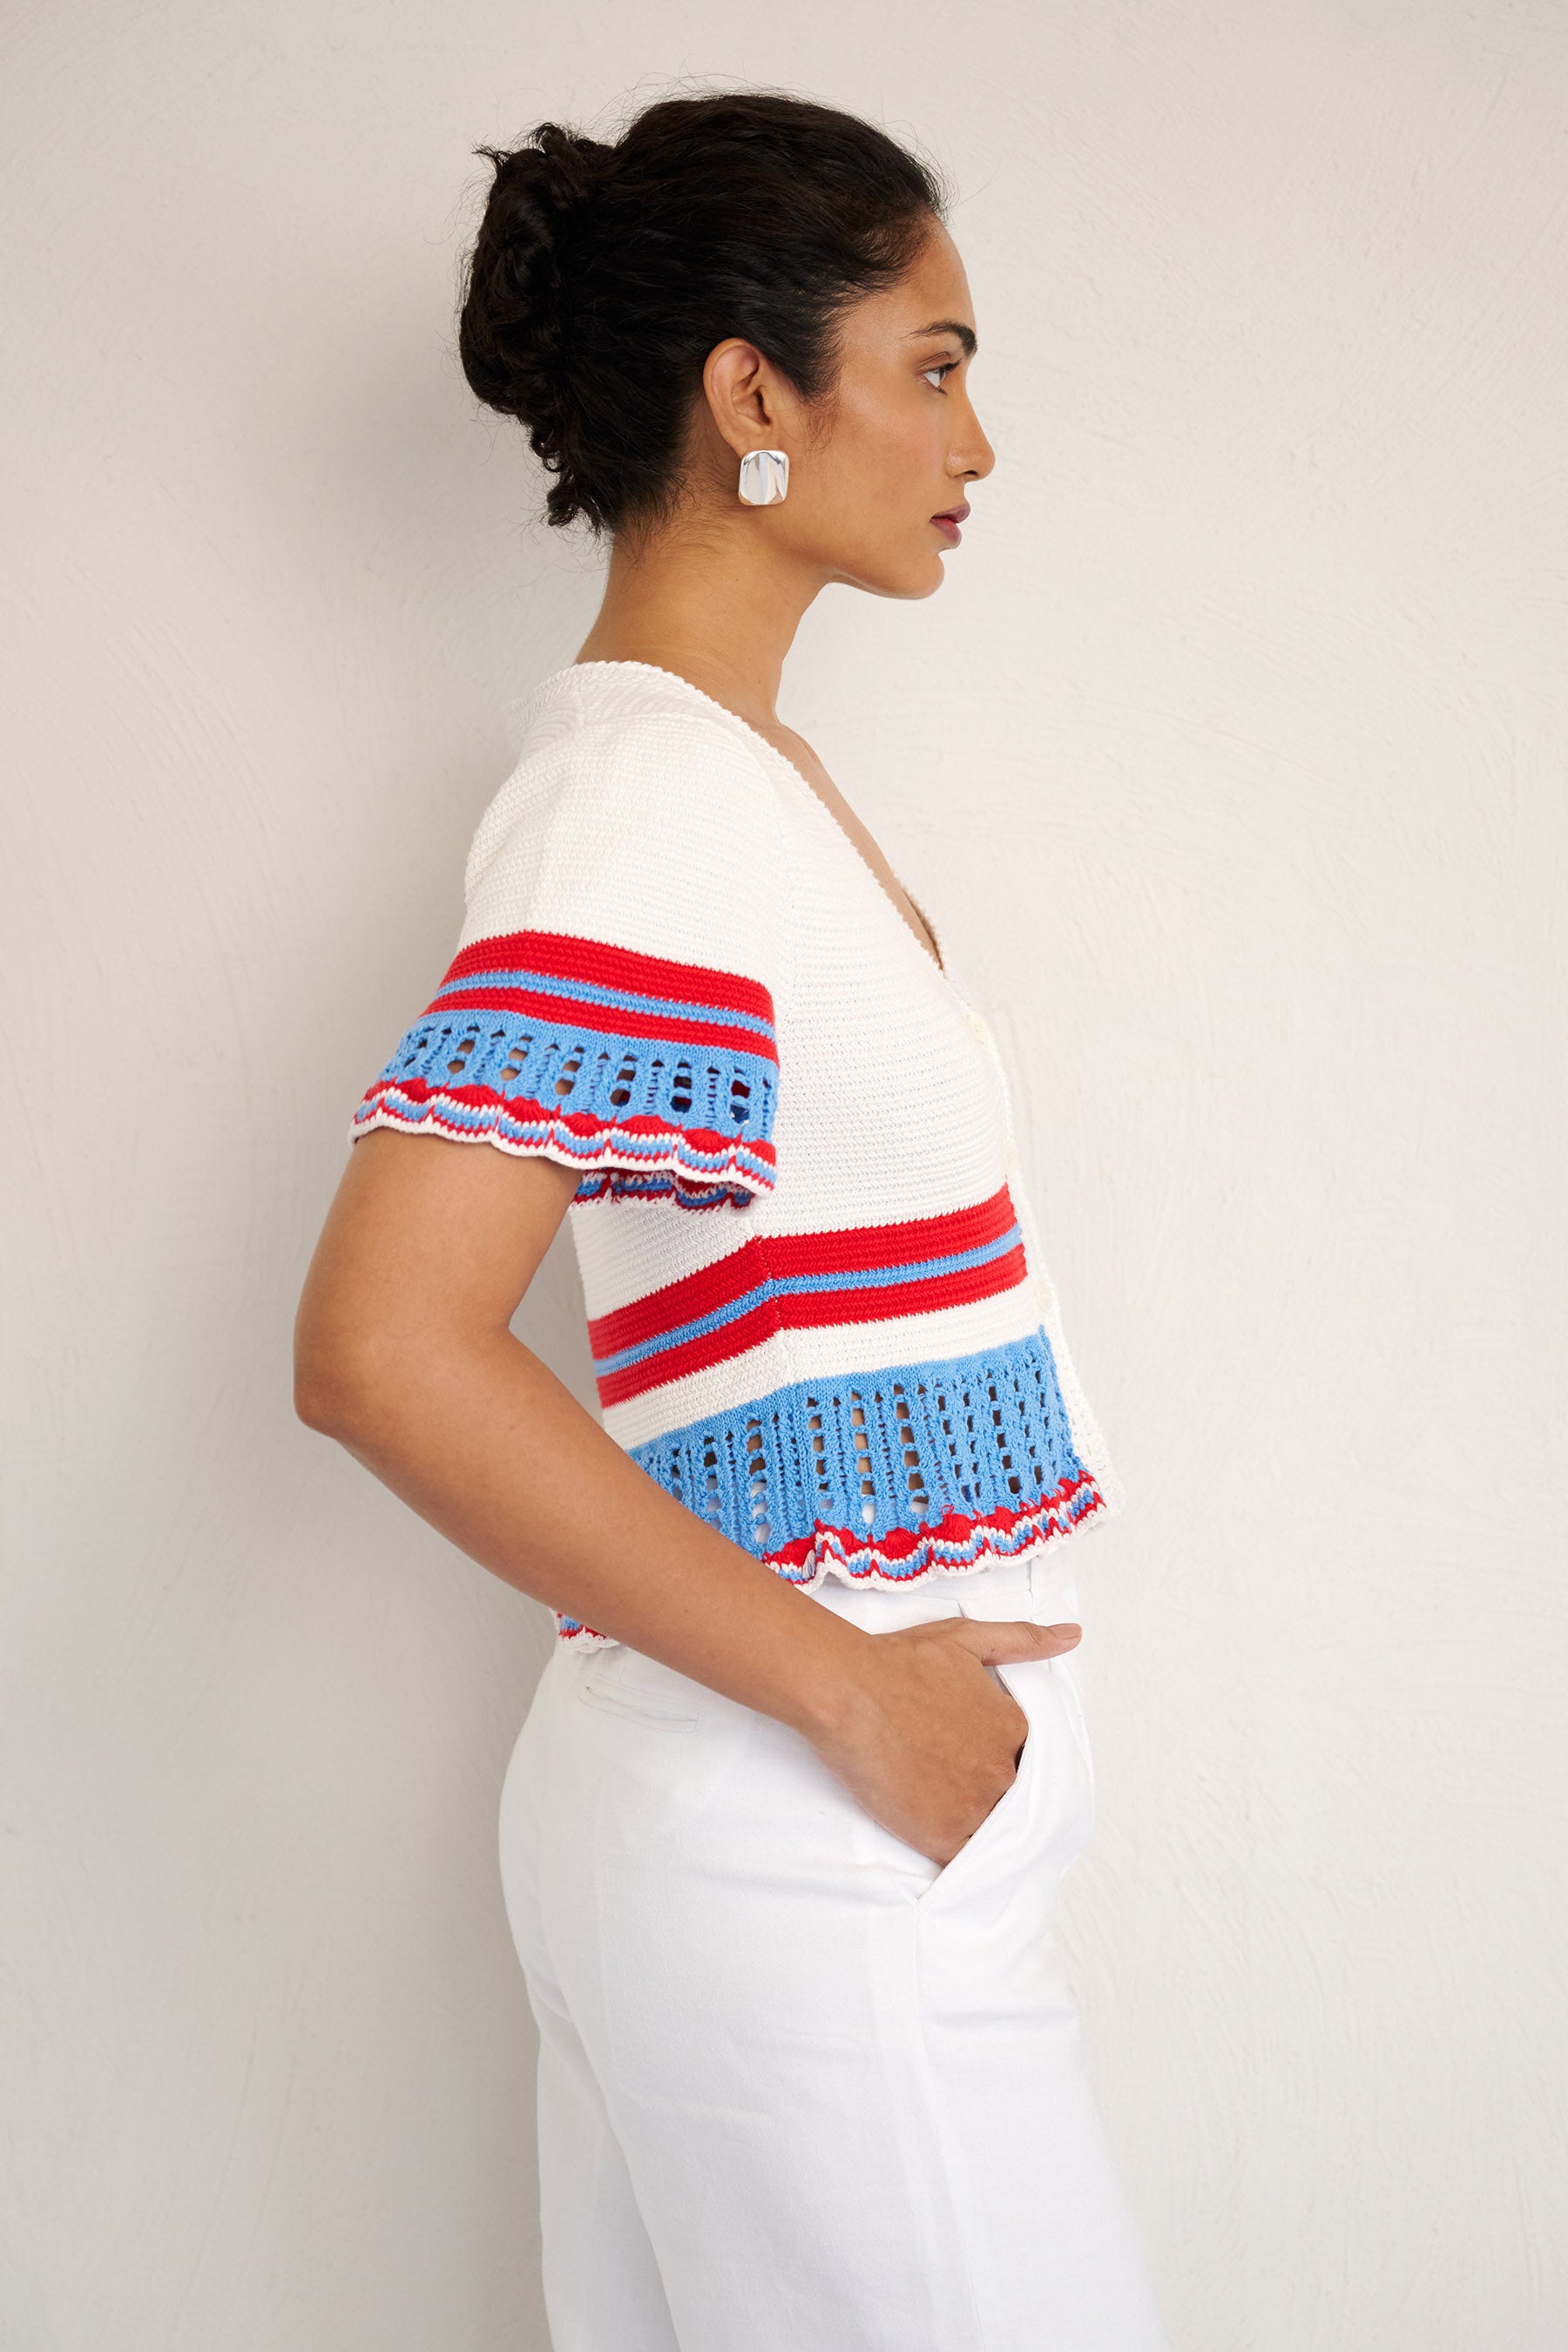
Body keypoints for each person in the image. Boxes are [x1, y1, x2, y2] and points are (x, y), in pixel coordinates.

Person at [294, 87, 1171, 2352]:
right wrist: (860, 1704)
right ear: (754, 397)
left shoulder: (723, 783)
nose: (978, 441)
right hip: (805, 1848)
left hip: (775, 1840)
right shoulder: (644, 810)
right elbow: (386, 1344)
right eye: (934, 367)